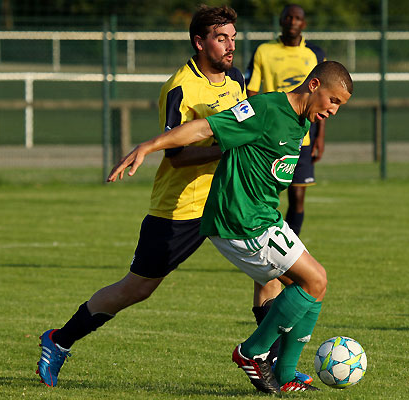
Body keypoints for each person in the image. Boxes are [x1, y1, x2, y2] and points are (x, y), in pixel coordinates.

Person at [108, 60, 353, 393]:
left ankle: (284, 374)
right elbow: (205, 128)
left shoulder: (301, 124)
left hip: (264, 217)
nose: (334, 111)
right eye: (333, 101)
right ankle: (252, 352)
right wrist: (148, 146)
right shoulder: (266, 108)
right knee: (314, 281)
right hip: (240, 220)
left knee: (314, 286)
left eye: (340, 105)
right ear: (314, 86)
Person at [36, 5, 246, 387]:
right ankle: (59, 340)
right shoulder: (181, 85)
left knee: (274, 269)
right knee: (137, 288)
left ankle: (271, 363)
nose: (231, 45)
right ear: (200, 43)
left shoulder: (236, 79)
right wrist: (228, 149)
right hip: (179, 209)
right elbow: (177, 155)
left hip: (225, 201)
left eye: (233, 36)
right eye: (221, 38)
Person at [243, 3, 326, 370]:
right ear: (281, 22)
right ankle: (258, 355)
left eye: (298, 19)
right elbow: (254, 93)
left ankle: (278, 364)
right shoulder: (264, 52)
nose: (293, 23)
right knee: (300, 278)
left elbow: (322, 101)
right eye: (288, 17)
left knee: (296, 195)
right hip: (269, 131)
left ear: (304, 25)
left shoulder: (312, 55)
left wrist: (319, 134)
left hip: (299, 137)